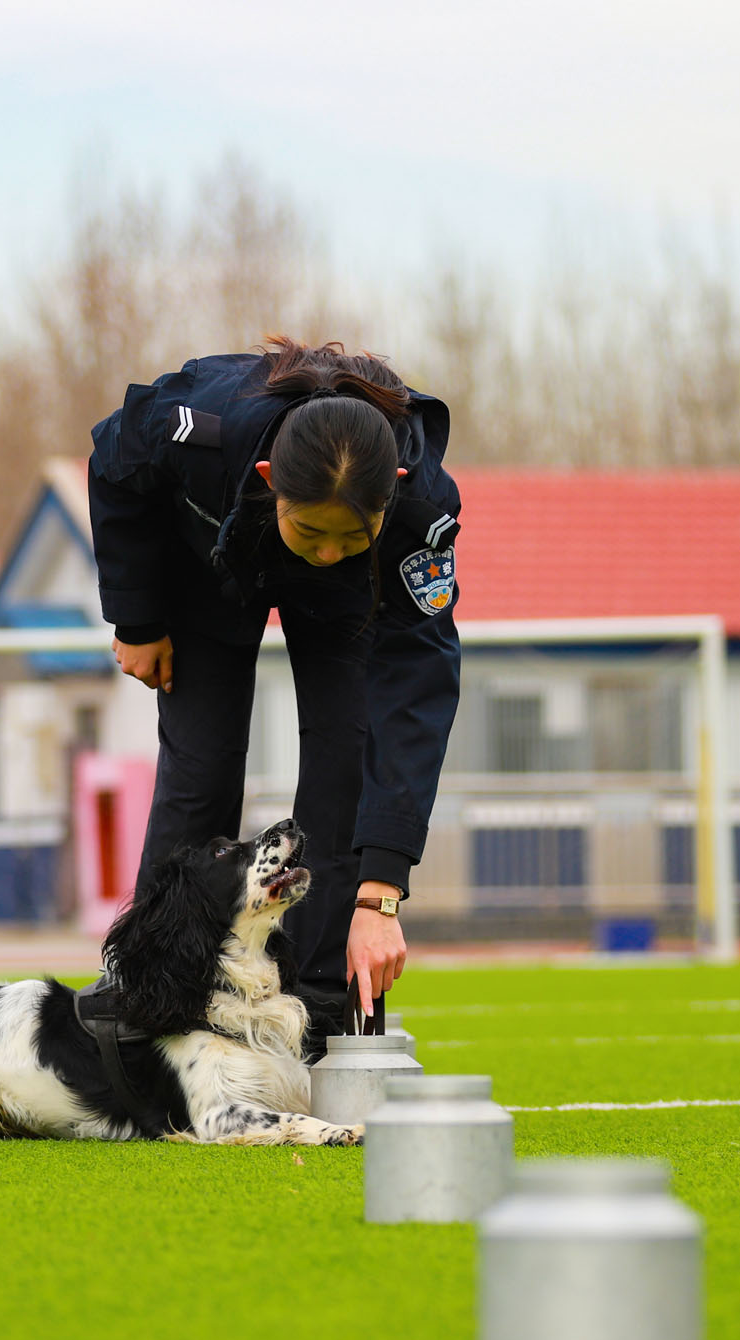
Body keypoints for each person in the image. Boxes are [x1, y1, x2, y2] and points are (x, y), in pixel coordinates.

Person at [87, 336, 462, 1044]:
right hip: (211, 562)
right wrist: (137, 617)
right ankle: (154, 988)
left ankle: (320, 1000)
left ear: (394, 495)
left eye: (349, 534)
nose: (325, 551)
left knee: (345, 756)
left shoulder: (418, 516)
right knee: (201, 767)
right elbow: (113, 459)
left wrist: (380, 895)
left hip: (353, 600)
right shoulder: (197, 429)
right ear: (269, 476)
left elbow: (415, 694)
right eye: (312, 530)